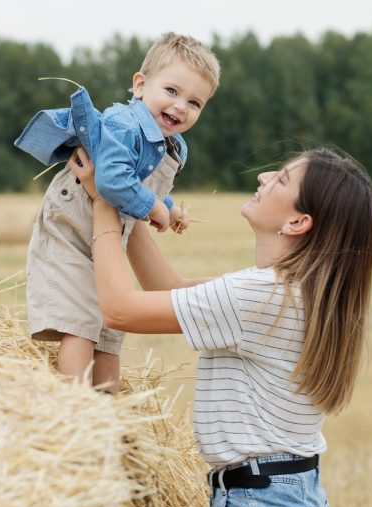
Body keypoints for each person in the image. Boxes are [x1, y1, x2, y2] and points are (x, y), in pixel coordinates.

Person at [71, 144, 372, 507]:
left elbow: (122, 309)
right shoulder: (280, 289)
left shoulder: (263, 295)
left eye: (281, 177)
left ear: (297, 221)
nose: (263, 175)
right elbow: (175, 289)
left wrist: (102, 212)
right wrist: (128, 204)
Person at [13, 33, 220, 392]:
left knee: (110, 328)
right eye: (171, 91)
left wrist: (168, 209)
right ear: (140, 85)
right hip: (71, 227)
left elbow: (145, 186)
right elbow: (111, 180)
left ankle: (109, 411)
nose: (181, 106)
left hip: (107, 236)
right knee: (81, 322)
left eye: (195, 102)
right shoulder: (125, 124)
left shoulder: (171, 145)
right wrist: (153, 207)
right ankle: (74, 407)